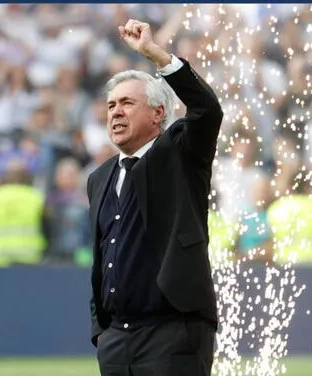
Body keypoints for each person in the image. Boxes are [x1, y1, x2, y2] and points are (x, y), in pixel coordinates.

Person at [86, 19, 223, 376]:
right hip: (116, 340)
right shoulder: (99, 178)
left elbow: (207, 110)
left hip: (172, 332)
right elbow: (103, 255)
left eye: (127, 103)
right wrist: (100, 330)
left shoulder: (179, 153)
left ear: (158, 113)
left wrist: (155, 54)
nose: (115, 111)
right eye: (112, 105)